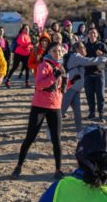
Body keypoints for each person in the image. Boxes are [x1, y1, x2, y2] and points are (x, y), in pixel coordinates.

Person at [12, 41, 67, 180]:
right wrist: (54, 75)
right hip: (40, 107)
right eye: (55, 51)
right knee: (30, 138)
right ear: (49, 52)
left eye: (60, 51)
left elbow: (60, 88)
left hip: (55, 106)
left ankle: (58, 170)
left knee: (57, 140)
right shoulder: (45, 65)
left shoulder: (60, 66)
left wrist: (72, 81)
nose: (58, 53)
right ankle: (18, 167)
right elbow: (40, 84)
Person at [61, 42, 107, 133]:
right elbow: (90, 61)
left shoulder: (77, 57)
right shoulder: (75, 56)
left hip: (76, 89)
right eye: (83, 48)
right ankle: (50, 130)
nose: (85, 49)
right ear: (77, 49)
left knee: (77, 113)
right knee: (61, 111)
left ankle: (79, 132)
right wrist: (105, 59)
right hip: (70, 88)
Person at [83, 28, 107, 121]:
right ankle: (92, 113)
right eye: (90, 33)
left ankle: (101, 114)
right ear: (88, 35)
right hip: (87, 73)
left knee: (100, 95)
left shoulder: (101, 45)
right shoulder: (84, 46)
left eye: (94, 33)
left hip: (99, 73)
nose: (92, 35)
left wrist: (102, 54)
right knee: (89, 94)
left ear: (97, 35)